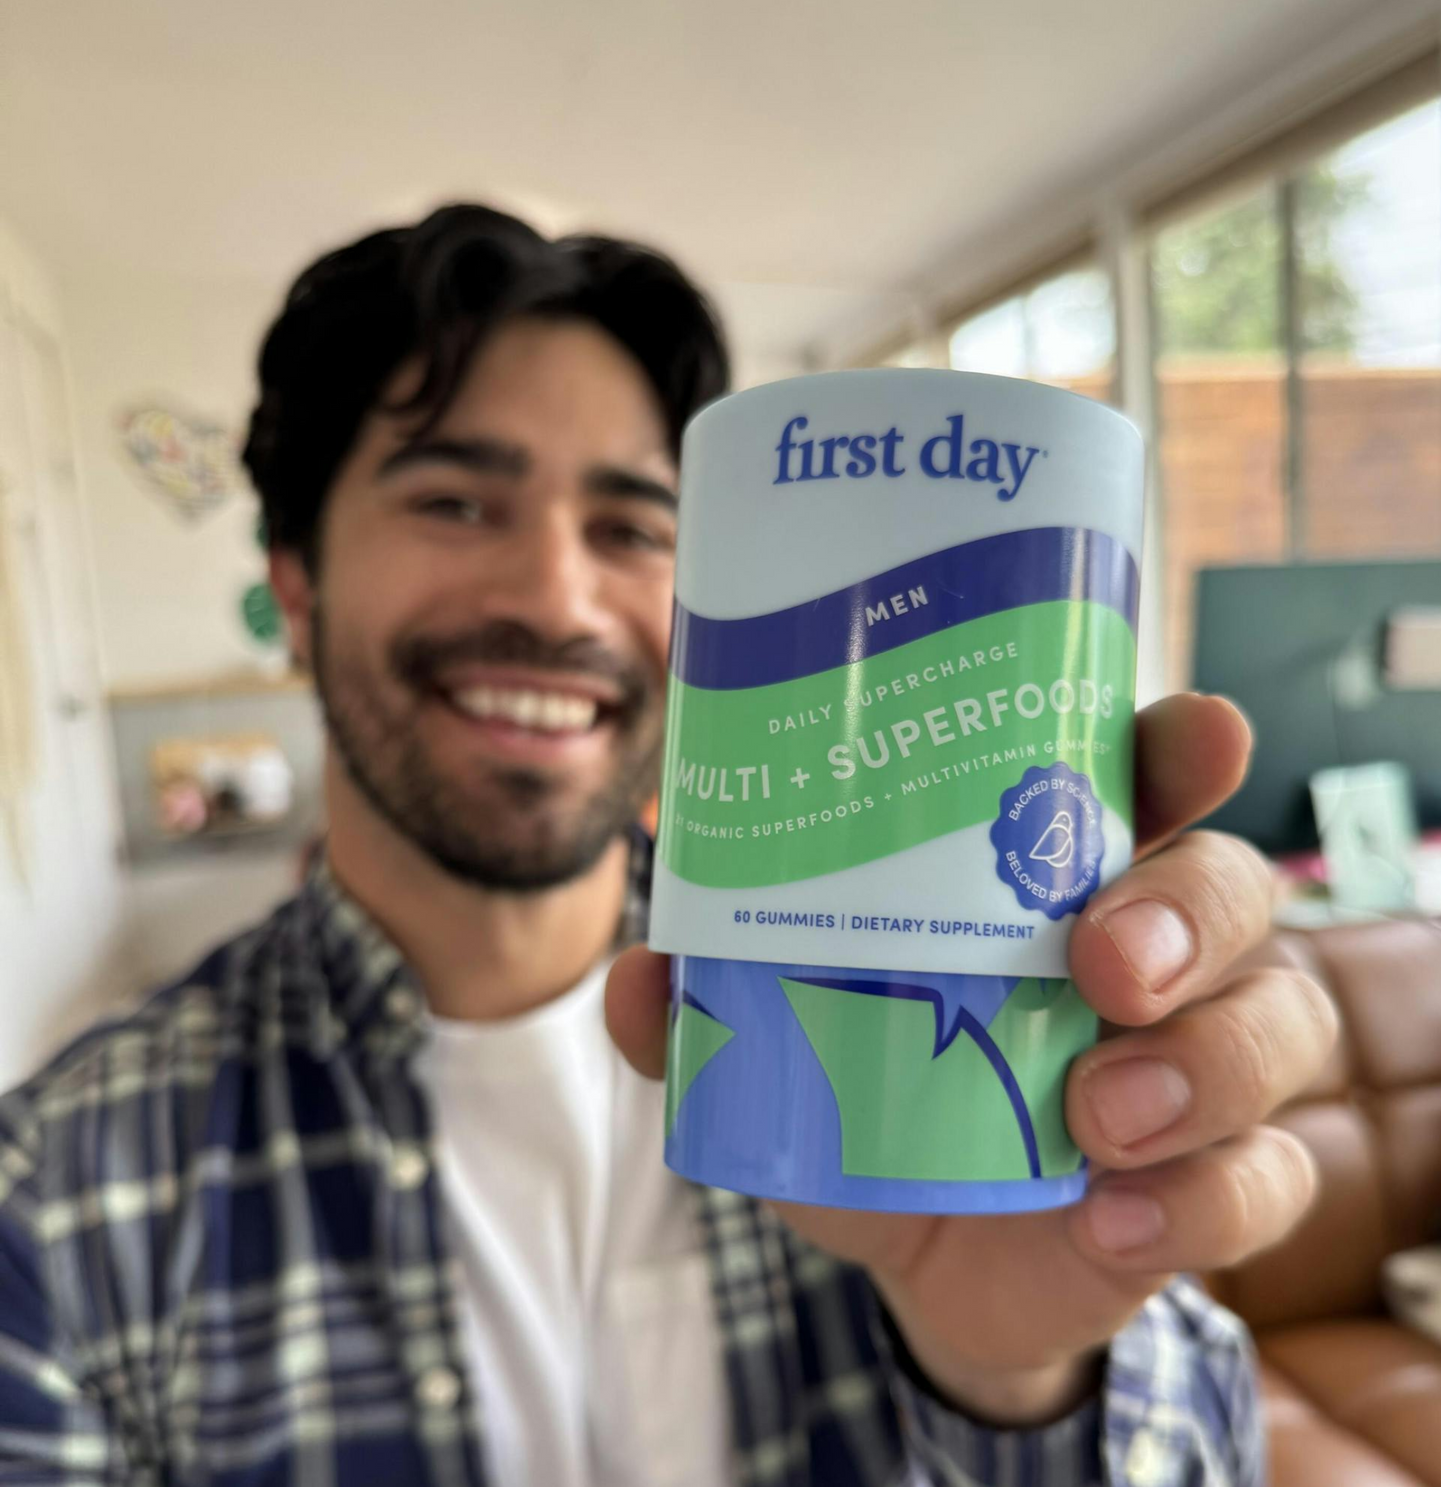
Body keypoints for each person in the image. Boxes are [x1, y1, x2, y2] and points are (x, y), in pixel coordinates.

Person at [0, 204, 1336, 1486]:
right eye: (456, 502)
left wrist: (1022, 1383)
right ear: (295, 582)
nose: (556, 597)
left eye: (634, 526)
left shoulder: (921, 1055)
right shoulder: (59, 1204)